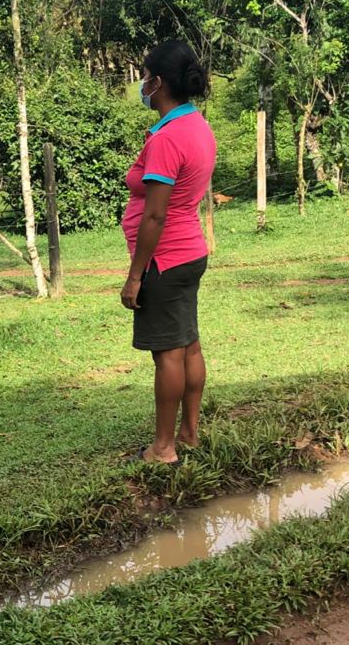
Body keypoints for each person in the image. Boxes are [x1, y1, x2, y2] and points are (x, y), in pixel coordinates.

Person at [120, 40, 215, 465]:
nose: (142, 83)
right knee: (188, 345)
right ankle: (188, 434)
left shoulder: (167, 138)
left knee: (168, 354)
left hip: (165, 258)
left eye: (144, 76)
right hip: (190, 251)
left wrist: (135, 276)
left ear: (157, 82)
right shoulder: (197, 125)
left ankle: (163, 448)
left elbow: (155, 215)